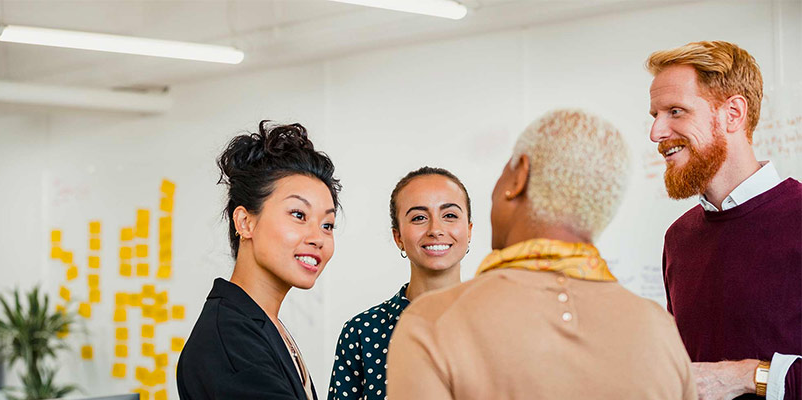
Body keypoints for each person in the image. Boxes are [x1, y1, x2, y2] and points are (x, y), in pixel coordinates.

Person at [387, 109, 696, 400]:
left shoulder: (433, 322)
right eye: (418, 217)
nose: (436, 228)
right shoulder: (659, 331)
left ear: (518, 176)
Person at [647, 41, 801, 400]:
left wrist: (748, 376)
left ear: (733, 113)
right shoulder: (678, 239)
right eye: (654, 115)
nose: (656, 133)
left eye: (675, 111)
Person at [177, 121, 342, 400]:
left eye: (327, 224)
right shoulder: (230, 342)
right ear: (245, 222)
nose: (318, 238)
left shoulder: (261, 324)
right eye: (299, 215)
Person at [328, 167, 472, 400]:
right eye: (419, 218)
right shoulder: (360, 333)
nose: (436, 229)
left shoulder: (498, 324)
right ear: (398, 237)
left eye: (450, 215)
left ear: (469, 231)